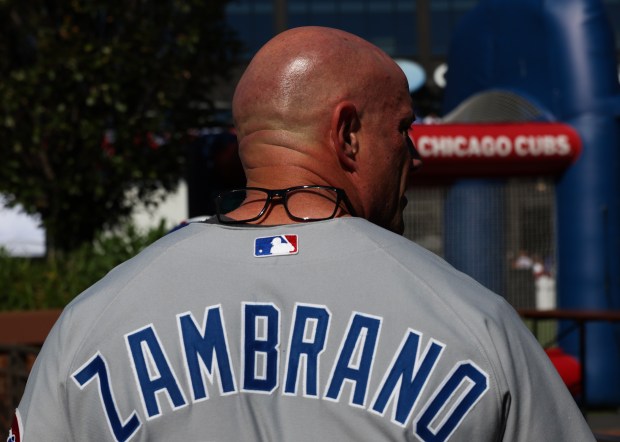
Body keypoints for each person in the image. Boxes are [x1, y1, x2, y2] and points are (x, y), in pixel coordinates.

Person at [9, 27, 594, 442]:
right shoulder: (473, 319)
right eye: (403, 128)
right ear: (347, 133)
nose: (413, 154)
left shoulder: (91, 322)